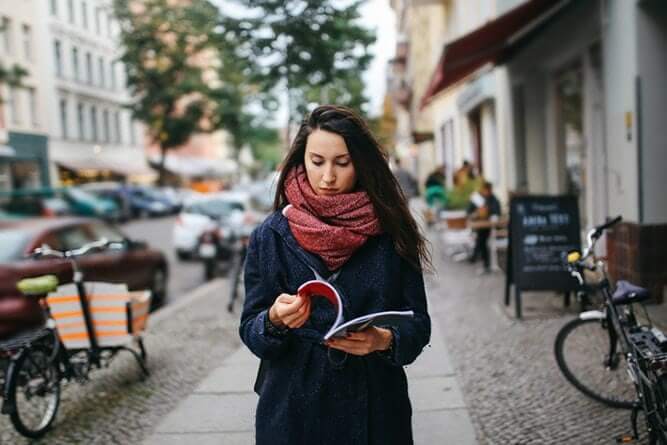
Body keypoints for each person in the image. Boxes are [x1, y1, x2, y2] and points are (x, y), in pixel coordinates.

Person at [239, 105, 432, 445]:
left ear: (361, 163)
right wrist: (274, 320)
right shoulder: (269, 235)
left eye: (342, 163)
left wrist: (384, 340)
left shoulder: (393, 233)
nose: (328, 176)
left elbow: (418, 323)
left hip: (375, 408)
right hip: (292, 409)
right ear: (301, 160)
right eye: (317, 161)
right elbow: (251, 329)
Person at [466, 181, 501, 273]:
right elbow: (469, 212)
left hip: (489, 226)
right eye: (487, 190)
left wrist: (488, 212)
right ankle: (482, 260)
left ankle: (477, 257)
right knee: (481, 238)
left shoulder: (493, 199)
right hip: (479, 226)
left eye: (489, 190)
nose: (488, 192)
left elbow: (497, 212)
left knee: (481, 238)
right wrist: (476, 213)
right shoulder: (477, 199)